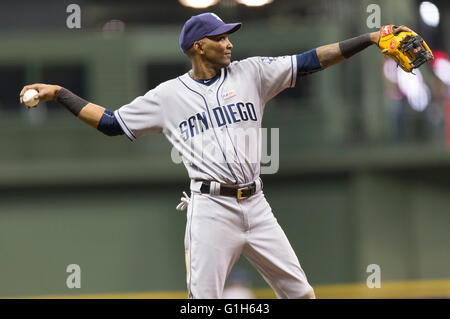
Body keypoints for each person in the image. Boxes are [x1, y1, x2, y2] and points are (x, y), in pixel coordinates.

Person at [20, 13, 413, 299]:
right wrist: (60, 93)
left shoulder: (252, 73)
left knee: (302, 295)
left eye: (229, 36)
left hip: (256, 204)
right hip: (210, 209)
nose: (229, 43)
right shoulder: (167, 96)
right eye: (221, 37)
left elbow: (310, 60)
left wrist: (369, 37)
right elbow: (110, 123)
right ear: (198, 46)